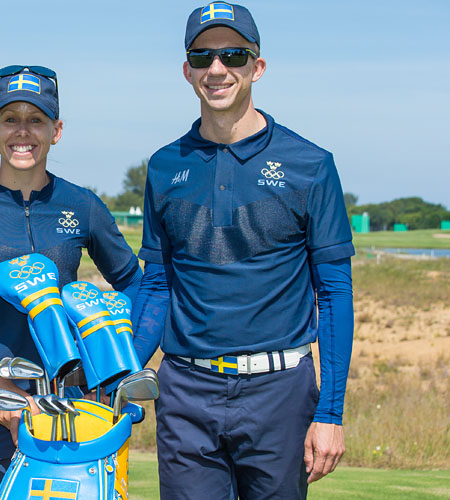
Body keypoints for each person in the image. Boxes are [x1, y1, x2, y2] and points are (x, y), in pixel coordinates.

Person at [131, 3, 355, 499]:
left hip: (280, 393)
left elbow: (334, 292)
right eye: (202, 56)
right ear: (186, 70)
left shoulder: (311, 164)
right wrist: (119, 371)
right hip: (186, 392)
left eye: (232, 55)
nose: (217, 69)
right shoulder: (165, 166)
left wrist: (331, 411)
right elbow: (156, 283)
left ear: (258, 65)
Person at [0, 65, 142, 500]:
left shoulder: (83, 205)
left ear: (56, 130)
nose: (24, 131)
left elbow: (136, 286)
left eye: (36, 119)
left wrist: (112, 362)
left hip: (71, 413)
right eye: (11, 119)